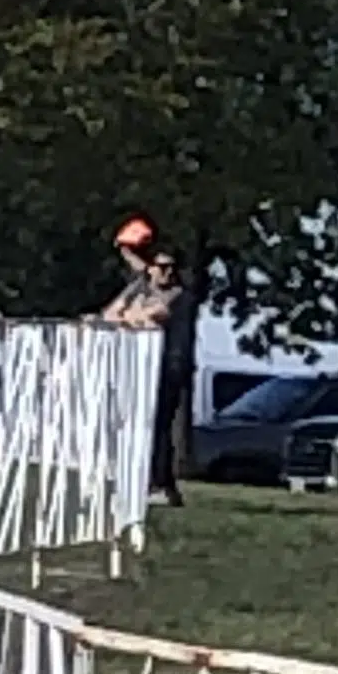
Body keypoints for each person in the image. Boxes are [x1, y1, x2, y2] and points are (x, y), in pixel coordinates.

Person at [101, 215, 192, 506]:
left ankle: (161, 486)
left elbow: (152, 314)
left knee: (159, 426)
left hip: (169, 368)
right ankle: (156, 483)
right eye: (161, 266)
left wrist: (132, 315)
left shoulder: (177, 294)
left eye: (171, 267)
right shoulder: (141, 287)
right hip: (143, 368)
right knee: (145, 425)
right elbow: (110, 314)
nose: (167, 272)